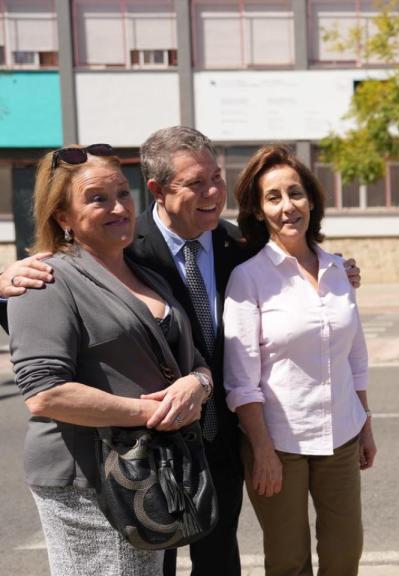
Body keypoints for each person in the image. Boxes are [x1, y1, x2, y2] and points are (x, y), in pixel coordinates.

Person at [0, 126, 362, 576]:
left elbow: (292, 270)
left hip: (220, 436)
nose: (212, 192)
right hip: (136, 456)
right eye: (195, 183)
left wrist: (338, 270)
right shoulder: (128, 245)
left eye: (216, 178)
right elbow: (54, 321)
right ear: (156, 189)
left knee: (219, 560)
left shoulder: (238, 246)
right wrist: (4, 287)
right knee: (153, 564)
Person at [8, 145, 213, 576]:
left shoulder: (146, 274)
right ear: (62, 217)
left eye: (123, 192)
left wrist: (198, 385)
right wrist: (149, 412)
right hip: (87, 483)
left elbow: (193, 361)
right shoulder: (47, 280)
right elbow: (45, 394)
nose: (118, 206)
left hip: (147, 469)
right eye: (97, 198)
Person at [222, 144, 375, 576]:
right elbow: (241, 380)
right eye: (274, 197)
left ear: (312, 200)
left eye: (296, 193)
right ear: (258, 208)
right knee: (289, 563)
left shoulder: (337, 269)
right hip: (279, 445)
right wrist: (262, 450)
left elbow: (355, 356)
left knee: (345, 555)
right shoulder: (248, 278)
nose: (288, 206)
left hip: (341, 436)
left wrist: (365, 422)